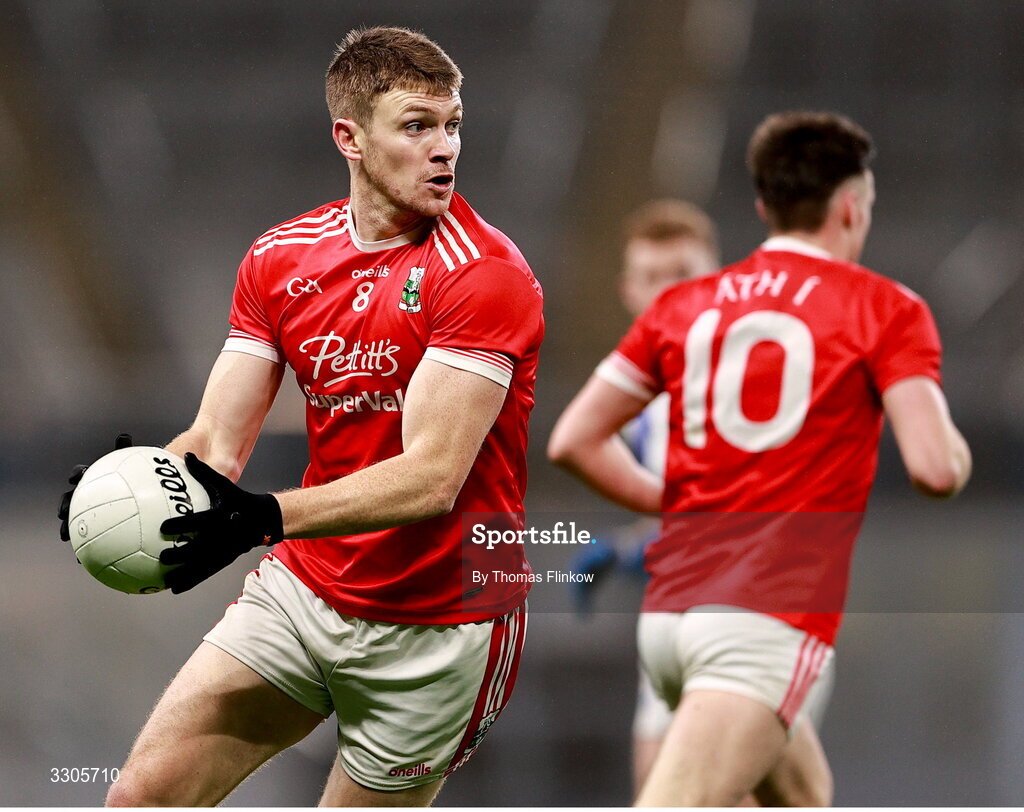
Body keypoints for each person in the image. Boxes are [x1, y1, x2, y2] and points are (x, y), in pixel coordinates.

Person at [59, 26, 543, 807]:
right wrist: (126, 493)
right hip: (305, 591)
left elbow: (431, 479)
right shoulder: (280, 260)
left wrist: (261, 520)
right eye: (417, 126)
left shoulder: (486, 277)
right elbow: (215, 444)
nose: (445, 148)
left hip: (440, 624)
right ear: (348, 137)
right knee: (138, 800)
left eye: (452, 124)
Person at [548, 111, 970, 806]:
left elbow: (571, 440)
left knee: (803, 798)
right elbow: (934, 470)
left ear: (762, 207)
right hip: (763, 622)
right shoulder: (884, 308)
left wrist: (674, 499)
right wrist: (954, 450)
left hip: (670, 622)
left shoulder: (682, 308)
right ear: (850, 207)